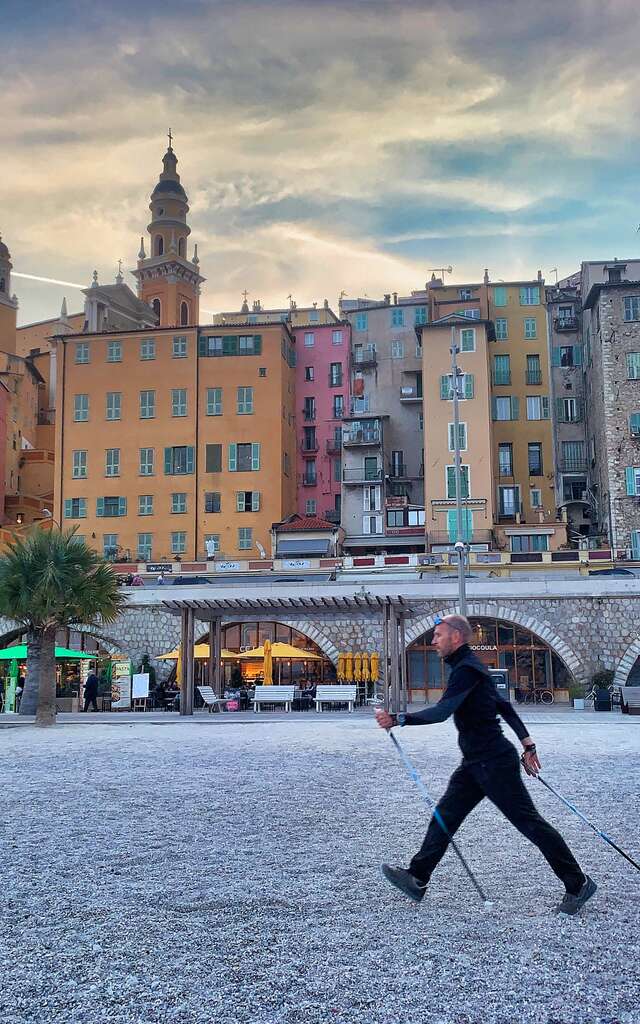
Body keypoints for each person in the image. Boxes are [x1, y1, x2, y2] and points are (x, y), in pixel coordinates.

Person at [375, 614, 596, 916]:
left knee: (530, 823)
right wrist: (528, 743)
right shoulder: (472, 668)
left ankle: (578, 883)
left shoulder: (467, 669)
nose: (433, 641)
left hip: (493, 762)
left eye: (438, 635)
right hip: (476, 763)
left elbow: (443, 711)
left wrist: (400, 719)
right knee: (445, 816)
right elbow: (504, 706)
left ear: (456, 637)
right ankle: (417, 877)